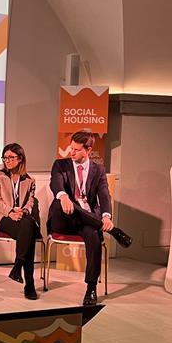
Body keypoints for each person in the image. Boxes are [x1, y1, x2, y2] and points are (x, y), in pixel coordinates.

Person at [49, 130, 132, 306]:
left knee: (93, 236)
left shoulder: (98, 170)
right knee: (60, 203)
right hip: (64, 218)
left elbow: (104, 194)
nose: (71, 152)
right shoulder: (60, 165)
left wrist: (106, 216)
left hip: (86, 221)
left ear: (88, 150)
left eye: (76, 150)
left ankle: (91, 288)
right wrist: (63, 196)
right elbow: (55, 183)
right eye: (71, 148)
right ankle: (114, 231)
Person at [0, 143, 40, 300]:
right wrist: (10, 212)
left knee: (28, 226)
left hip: (21, 218)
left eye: (11, 157)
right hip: (2, 217)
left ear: (20, 159)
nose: (7, 161)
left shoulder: (30, 180)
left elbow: (30, 202)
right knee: (29, 233)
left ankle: (18, 267)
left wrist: (23, 211)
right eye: (5, 157)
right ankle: (29, 283)